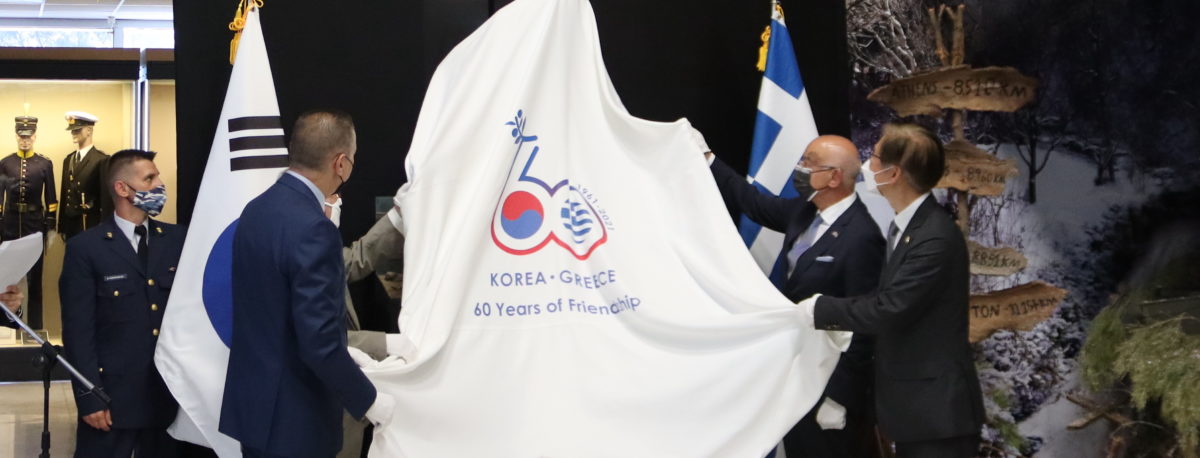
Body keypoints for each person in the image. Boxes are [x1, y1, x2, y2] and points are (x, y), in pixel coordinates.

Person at [800, 122, 985, 457]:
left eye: (874, 158)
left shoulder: (934, 237)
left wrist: (819, 309)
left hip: (938, 415)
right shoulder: (908, 226)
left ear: (894, 173)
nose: (866, 166)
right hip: (914, 409)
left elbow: (889, 308)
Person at [220, 110, 391, 458]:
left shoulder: (256, 209)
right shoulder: (315, 229)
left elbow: (272, 308)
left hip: (255, 411)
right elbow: (320, 345)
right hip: (296, 419)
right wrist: (370, 402)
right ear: (340, 163)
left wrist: (346, 351)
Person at [706, 135, 886, 457]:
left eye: (809, 162)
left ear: (834, 177)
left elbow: (866, 325)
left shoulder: (862, 237)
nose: (799, 168)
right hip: (798, 368)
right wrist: (709, 160)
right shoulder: (805, 212)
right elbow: (755, 204)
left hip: (830, 376)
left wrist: (839, 397)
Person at [60, 149, 184, 457]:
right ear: (122, 188)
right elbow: (78, 332)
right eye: (150, 179)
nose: (160, 185)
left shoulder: (178, 241)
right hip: (113, 398)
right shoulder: (86, 248)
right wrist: (89, 395)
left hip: (168, 396)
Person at [324, 193, 407, 458]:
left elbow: (355, 258)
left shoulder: (315, 246)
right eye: (329, 197)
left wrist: (397, 217)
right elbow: (312, 336)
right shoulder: (295, 250)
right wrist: (386, 343)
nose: (338, 200)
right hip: (317, 403)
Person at [0, 116, 57, 329]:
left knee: (35, 282)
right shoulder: (6, 163)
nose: (25, 140)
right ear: (16, 136)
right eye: (21, 136)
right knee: (6, 280)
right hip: (10, 224)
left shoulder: (44, 164)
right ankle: (7, 327)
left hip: (34, 225)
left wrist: (51, 227)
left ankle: (35, 329)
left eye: (29, 136)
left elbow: (51, 198)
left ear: (35, 136)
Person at [58, 111, 111, 241]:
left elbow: (106, 200)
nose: (73, 133)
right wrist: (62, 227)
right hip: (71, 226)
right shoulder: (68, 160)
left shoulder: (101, 160)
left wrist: (106, 229)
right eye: (72, 130)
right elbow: (65, 195)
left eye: (77, 130)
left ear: (89, 130)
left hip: (90, 224)